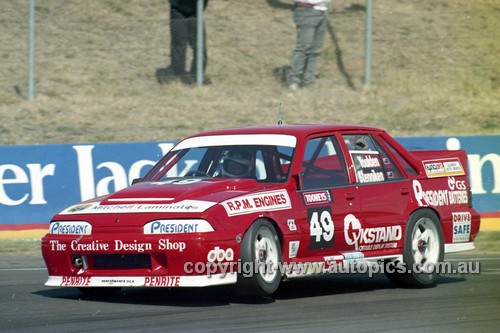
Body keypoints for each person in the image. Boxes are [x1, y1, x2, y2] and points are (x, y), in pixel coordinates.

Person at [157, 0, 209, 84]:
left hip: (196, 11)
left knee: (200, 45)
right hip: (178, 9)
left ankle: (196, 76)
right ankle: (178, 78)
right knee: (178, 44)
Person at [288, 0, 331, 90]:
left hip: (323, 10)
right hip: (306, 9)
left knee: (315, 50)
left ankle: (309, 81)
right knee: (303, 48)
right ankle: (294, 81)